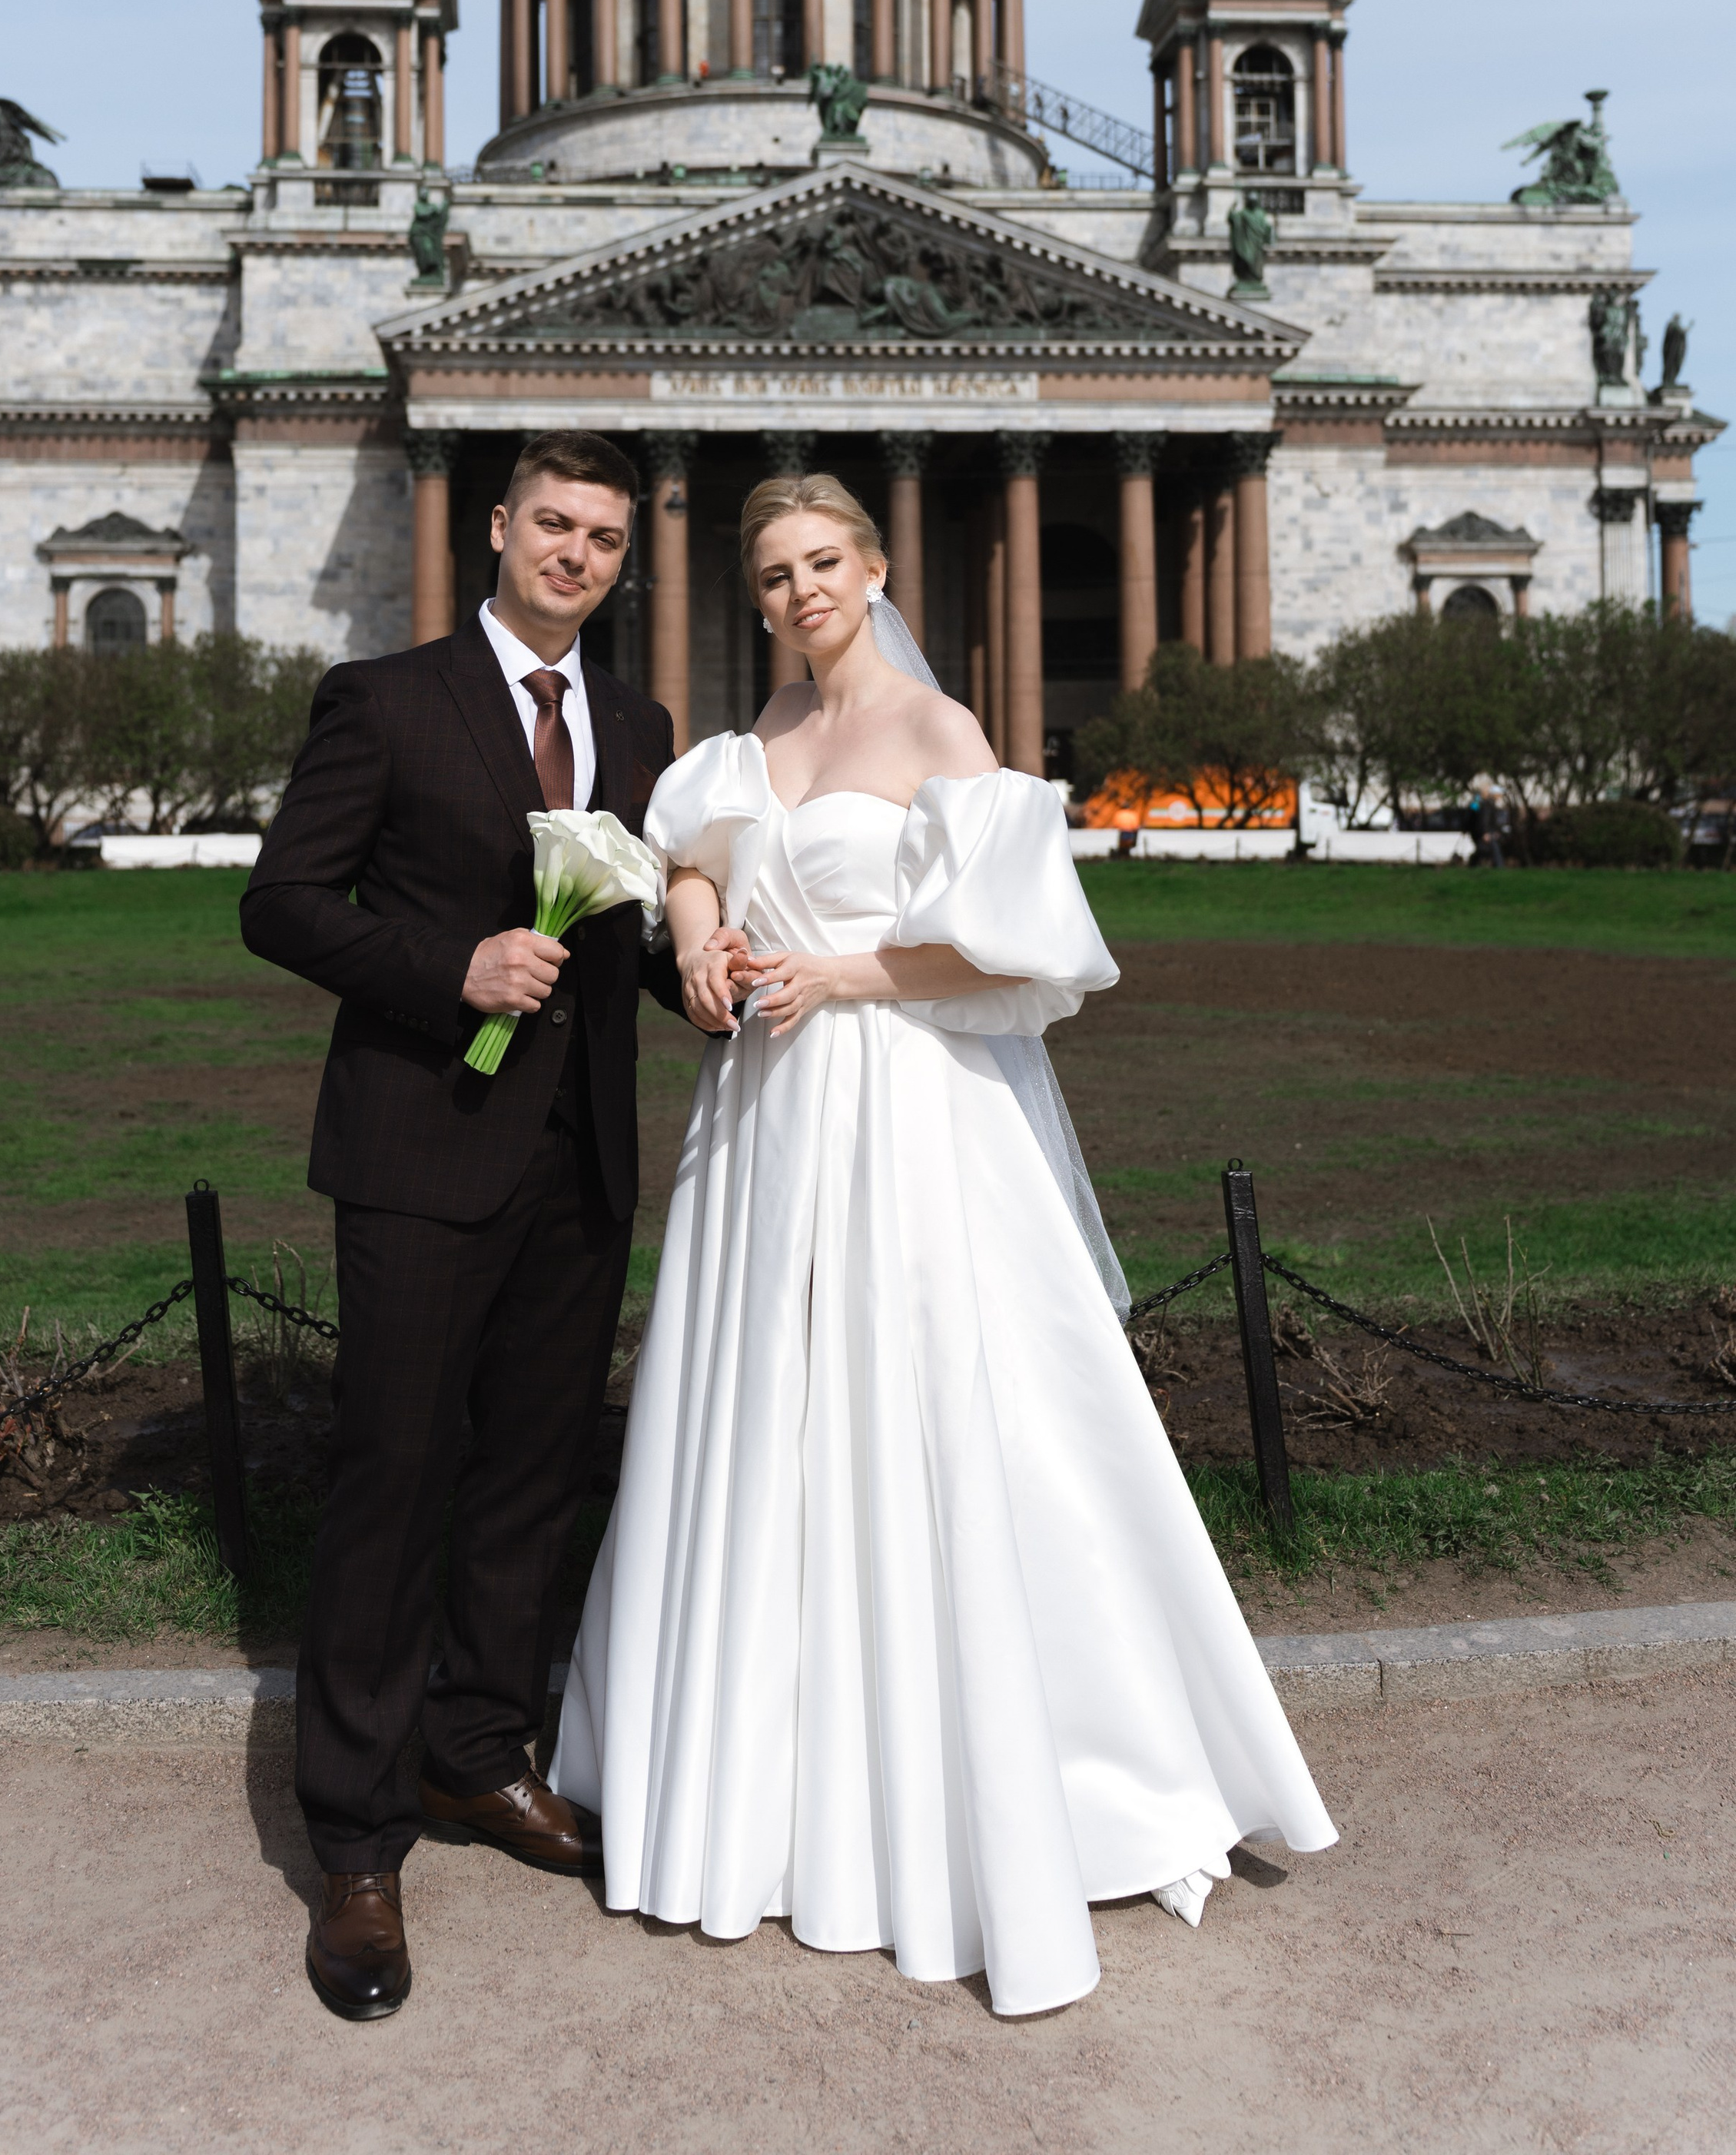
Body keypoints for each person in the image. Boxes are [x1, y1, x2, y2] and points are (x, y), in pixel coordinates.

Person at [552, 471, 1336, 2018]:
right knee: (756, 1421)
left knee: (929, 1417)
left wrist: (834, 976)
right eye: (772, 573)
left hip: (901, 1114)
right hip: (762, 1128)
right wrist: (701, 940)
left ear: (877, 565)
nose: (797, 593)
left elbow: (1013, 950)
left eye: (821, 563)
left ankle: (989, 1783)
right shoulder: (743, 744)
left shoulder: (942, 734)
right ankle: (753, 1789)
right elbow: (698, 845)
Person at [242, 432, 720, 2024]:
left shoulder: (638, 727)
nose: (576, 555)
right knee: (392, 1482)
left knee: (527, 1479)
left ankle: (473, 1756)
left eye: (601, 538)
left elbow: (635, 935)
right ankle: (358, 1847)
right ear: (495, 530)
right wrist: (444, 970)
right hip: (417, 1151)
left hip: (576, 1162)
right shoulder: (382, 699)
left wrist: (713, 985)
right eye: (552, 527)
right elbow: (286, 902)